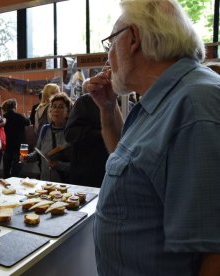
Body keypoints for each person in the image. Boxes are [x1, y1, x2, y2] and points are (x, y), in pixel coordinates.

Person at [84, 1, 220, 275]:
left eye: (110, 44)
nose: (107, 57)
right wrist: (108, 110)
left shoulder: (195, 105)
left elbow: (214, 252)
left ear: (133, 38)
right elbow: (129, 167)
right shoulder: (165, 99)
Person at [22, 93, 72, 183]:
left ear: (68, 112)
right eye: (54, 106)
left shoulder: (72, 132)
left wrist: (59, 165)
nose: (56, 110)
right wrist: (27, 158)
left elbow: (78, 165)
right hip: (45, 182)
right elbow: (37, 153)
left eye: (61, 107)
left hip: (64, 185)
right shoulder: (45, 129)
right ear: (50, 111)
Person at [64, 93, 108, 188]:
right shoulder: (86, 102)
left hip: (113, 173)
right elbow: (70, 134)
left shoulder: (127, 104)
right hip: (88, 173)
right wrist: (103, 133)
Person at [1, 98, 30, 179]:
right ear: (15, 106)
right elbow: (28, 122)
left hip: (8, 144)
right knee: (17, 168)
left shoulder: (4, 117)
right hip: (22, 145)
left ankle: (5, 183)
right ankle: (15, 181)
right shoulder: (19, 116)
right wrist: (25, 116)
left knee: (6, 168)